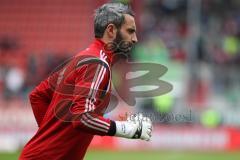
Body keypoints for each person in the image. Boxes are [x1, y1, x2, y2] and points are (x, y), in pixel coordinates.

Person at [19, 2, 152, 160]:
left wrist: (54, 138)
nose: (135, 39)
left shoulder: (84, 58)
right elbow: (82, 117)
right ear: (111, 30)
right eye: (130, 31)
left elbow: (38, 95)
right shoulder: (97, 63)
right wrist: (127, 129)